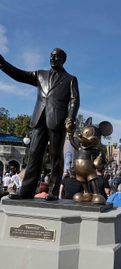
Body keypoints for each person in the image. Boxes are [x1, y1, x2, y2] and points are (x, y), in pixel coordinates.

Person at [0, 48, 80, 200]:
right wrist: (3, 64)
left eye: (56, 57)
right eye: (51, 56)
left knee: (55, 157)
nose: (52, 59)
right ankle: (27, 191)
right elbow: (20, 75)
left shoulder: (70, 79)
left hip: (57, 121)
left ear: (63, 60)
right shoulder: (40, 74)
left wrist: (71, 117)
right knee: (34, 154)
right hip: (39, 119)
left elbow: (75, 100)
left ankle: (53, 192)